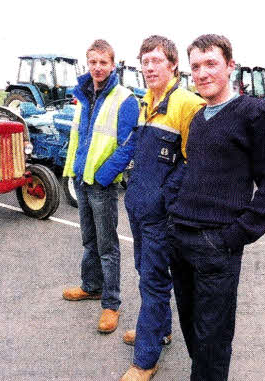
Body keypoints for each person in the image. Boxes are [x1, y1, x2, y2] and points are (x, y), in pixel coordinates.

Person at [167, 34, 265, 380]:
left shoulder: (254, 112)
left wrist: (234, 236)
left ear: (230, 66)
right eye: (196, 67)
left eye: (211, 64)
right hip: (181, 239)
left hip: (215, 245)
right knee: (192, 332)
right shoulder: (199, 119)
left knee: (212, 341)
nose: (202, 73)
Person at [120, 35, 205, 381]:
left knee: (153, 282)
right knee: (145, 271)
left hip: (160, 214)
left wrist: (164, 199)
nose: (149, 67)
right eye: (145, 61)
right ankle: (160, 331)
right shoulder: (146, 102)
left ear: (172, 65)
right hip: (139, 208)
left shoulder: (186, 104)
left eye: (156, 60)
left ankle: (146, 360)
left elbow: (195, 161)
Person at [62, 39, 139, 334]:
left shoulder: (124, 99)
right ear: (87, 63)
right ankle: (91, 286)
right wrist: (73, 172)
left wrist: (105, 176)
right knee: (89, 240)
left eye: (103, 62)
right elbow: (80, 139)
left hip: (101, 184)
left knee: (107, 246)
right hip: (81, 180)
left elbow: (128, 146)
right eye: (93, 62)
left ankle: (111, 303)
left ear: (113, 64)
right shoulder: (84, 95)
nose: (97, 67)